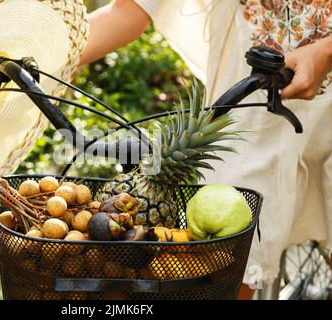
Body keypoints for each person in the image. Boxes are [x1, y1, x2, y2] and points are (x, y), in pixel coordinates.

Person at [79, 0, 332, 299]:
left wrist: (326, 50)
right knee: (225, 264)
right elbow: (130, 10)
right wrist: (44, 58)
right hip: (250, 111)